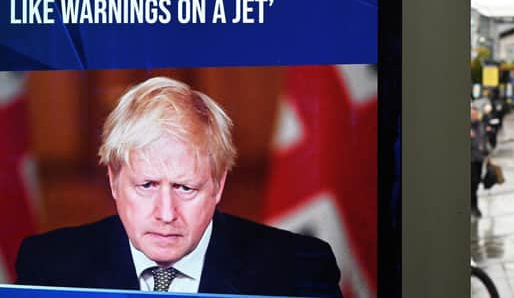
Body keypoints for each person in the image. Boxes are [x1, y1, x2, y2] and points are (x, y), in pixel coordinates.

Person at [15, 77, 342, 297]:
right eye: (146, 185)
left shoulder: (298, 271)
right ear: (114, 180)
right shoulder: (48, 268)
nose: (167, 214)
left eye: (185, 188)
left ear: (218, 185)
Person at [471, 105, 488, 218]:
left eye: (475, 114)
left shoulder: (480, 125)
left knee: (475, 184)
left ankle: (473, 207)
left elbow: (484, 140)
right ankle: (474, 207)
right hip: (470, 160)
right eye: (472, 114)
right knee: (471, 184)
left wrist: (487, 152)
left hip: (479, 160)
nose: (474, 116)